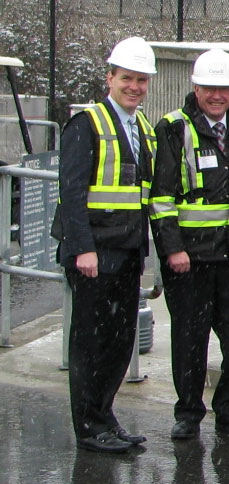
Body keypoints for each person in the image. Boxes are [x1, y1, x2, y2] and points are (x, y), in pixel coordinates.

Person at [150, 48, 229, 440]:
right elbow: (162, 197)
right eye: (210, 88)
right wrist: (173, 249)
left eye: (224, 88)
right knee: (189, 339)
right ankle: (188, 414)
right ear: (195, 88)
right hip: (191, 259)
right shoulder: (173, 128)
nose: (218, 95)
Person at [54, 36, 157, 454]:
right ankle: (88, 425)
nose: (134, 87)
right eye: (127, 79)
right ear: (110, 78)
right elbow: (72, 190)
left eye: (141, 80)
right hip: (94, 253)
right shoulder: (87, 124)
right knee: (90, 343)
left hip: (127, 250)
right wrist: (83, 249)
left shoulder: (143, 128)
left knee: (118, 342)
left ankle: (105, 416)